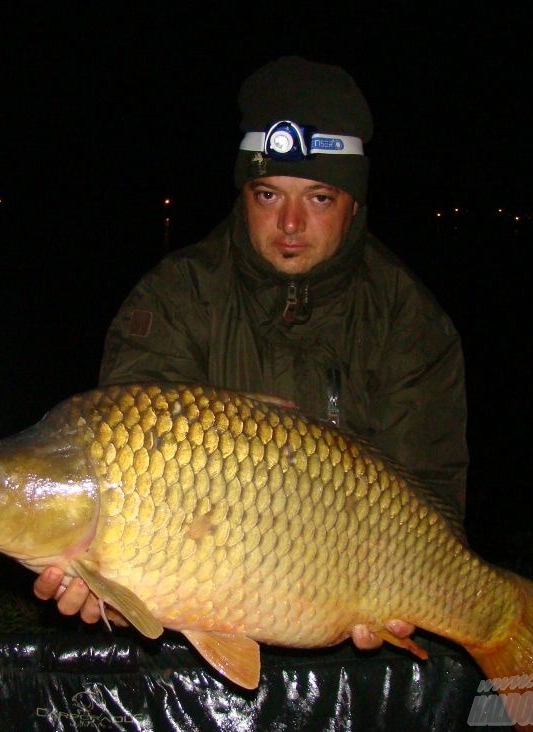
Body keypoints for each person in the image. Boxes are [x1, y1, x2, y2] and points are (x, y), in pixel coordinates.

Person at [34, 56, 468, 651]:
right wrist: (107, 583)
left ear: (355, 203)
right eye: (268, 194)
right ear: (243, 193)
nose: (290, 223)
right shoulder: (176, 297)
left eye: (318, 197)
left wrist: (406, 590)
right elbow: (128, 459)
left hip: (349, 609)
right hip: (196, 628)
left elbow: (432, 490)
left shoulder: (408, 321)